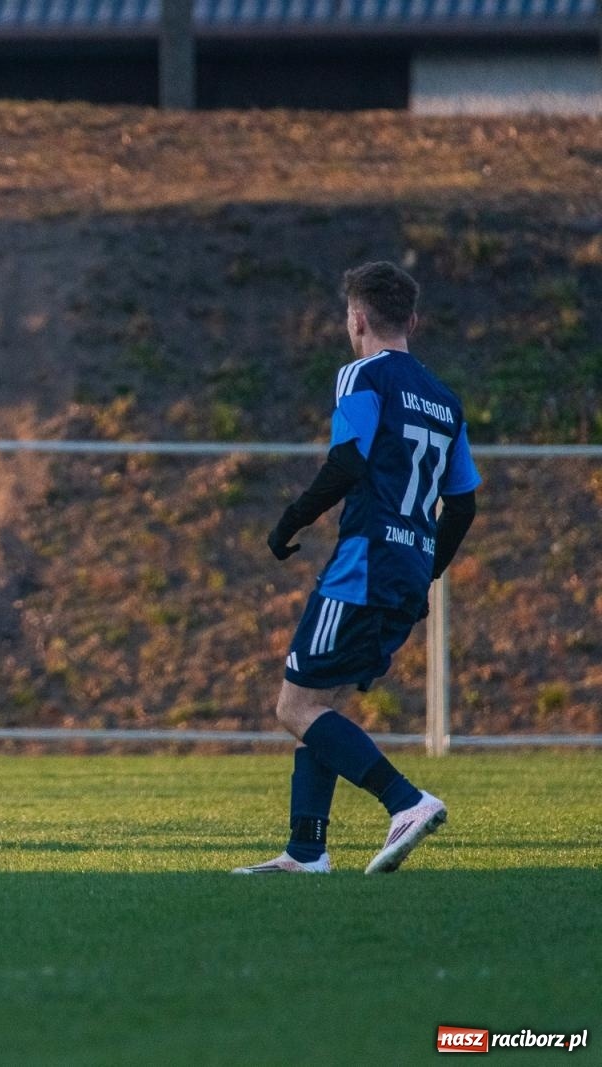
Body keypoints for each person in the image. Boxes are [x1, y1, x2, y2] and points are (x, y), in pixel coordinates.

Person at [233, 262, 479, 876]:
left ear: (357, 318)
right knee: (323, 706)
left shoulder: (362, 375)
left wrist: (289, 521)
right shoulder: (445, 402)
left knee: (294, 708)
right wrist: (427, 572)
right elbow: (464, 501)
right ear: (413, 321)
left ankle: (406, 801)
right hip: (405, 570)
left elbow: (346, 463)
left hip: (362, 566)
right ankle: (306, 851)